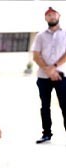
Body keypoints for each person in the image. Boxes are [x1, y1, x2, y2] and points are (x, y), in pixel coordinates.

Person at [33, 7, 66, 144]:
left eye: (54, 14)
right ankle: (46, 134)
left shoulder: (65, 34)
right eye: (49, 15)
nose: (52, 17)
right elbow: (36, 55)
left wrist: (54, 68)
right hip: (43, 77)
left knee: (65, 105)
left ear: (59, 16)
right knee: (45, 106)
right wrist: (48, 70)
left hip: (61, 75)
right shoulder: (40, 36)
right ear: (46, 18)